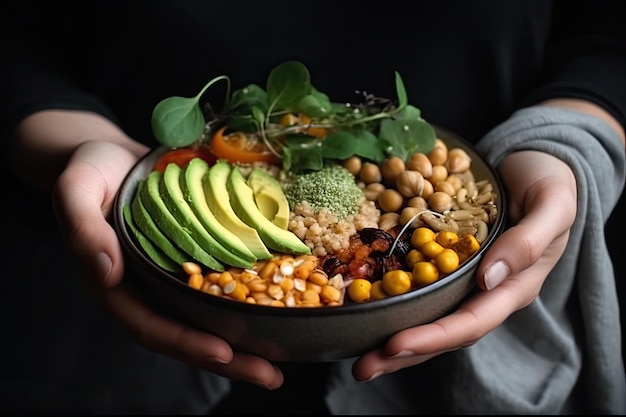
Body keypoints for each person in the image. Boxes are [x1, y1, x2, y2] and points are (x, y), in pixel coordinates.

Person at [1, 0, 624, 414]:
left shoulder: (418, 194)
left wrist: (562, 145)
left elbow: (605, 32)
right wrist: (75, 148)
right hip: (89, 346)